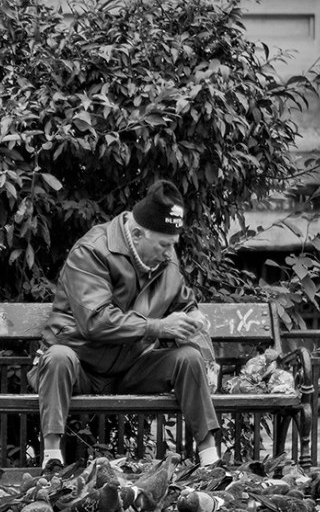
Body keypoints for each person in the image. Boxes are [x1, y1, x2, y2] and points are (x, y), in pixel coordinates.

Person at [33, 180, 220, 467]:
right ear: (136, 234)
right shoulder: (92, 250)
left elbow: (182, 301)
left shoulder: (165, 257)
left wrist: (193, 316)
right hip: (80, 364)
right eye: (164, 245)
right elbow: (95, 321)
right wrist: (157, 327)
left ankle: (211, 461)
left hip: (131, 368)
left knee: (189, 358)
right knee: (58, 357)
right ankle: (52, 459)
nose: (169, 253)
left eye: (173, 245)